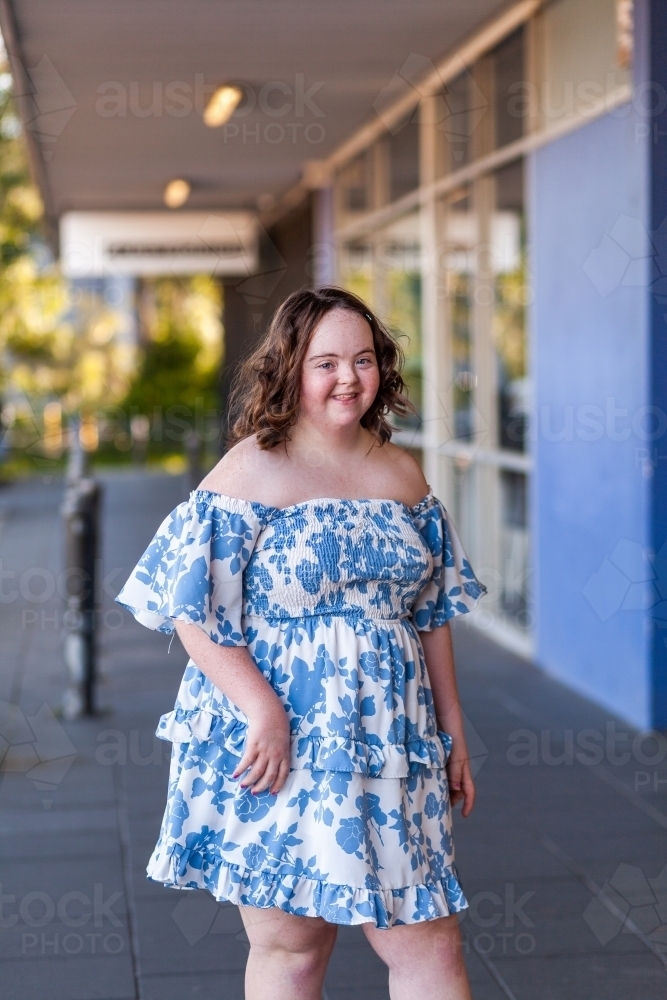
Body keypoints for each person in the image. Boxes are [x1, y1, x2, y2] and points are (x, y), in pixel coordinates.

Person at [117, 287, 486, 1000]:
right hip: (280, 735)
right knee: (292, 945)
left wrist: (452, 730)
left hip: (388, 735)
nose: (348, 377)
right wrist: (262, 711)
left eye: (363, 359)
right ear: (289, 370)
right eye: (326, 363)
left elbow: (431, 612)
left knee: (428, 936)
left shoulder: (402, 473)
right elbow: (189, 607)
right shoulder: (250, 468)